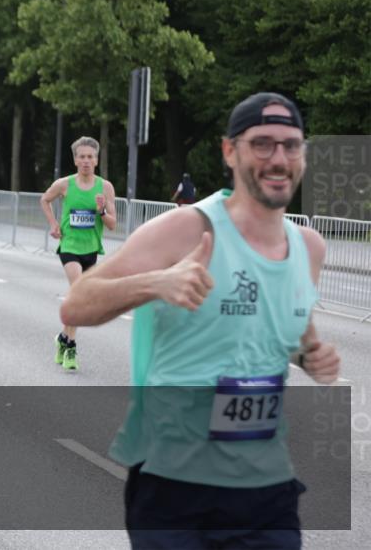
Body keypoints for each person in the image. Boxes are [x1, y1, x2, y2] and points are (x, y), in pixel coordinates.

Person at [61, 92, 340, 549]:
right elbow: (75, 305)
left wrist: (310, 356)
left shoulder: (309, 247)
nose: (279, 158)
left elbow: (284, 334)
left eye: (291, 145)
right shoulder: (187, 228)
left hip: (266, 485)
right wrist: (156, 283)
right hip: (176, 485)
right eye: (262, 144)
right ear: (229, 151)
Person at [39, 137, 117, 371]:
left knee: (81, 297)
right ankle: (71, 346)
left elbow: (113, 225)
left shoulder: (105, 187)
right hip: (69, 246)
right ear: (75, 160)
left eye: (90, 157)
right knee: (79, 291)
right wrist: (53, 224)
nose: (86, 161)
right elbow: (45, 199)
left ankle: (63, 337)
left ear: (96, 160)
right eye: (81, 157)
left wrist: (101, 211)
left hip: (91, 249)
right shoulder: (64, 184)